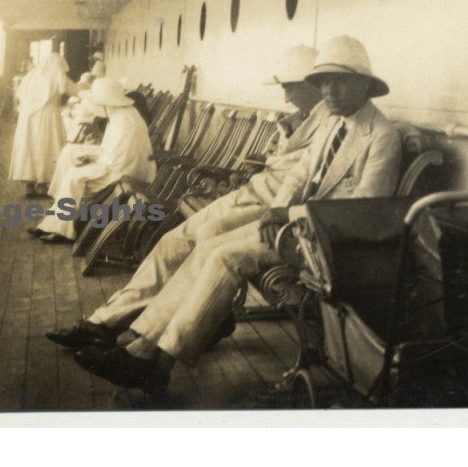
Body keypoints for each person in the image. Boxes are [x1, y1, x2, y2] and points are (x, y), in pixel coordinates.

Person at [72, 35, 402, 397]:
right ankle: (142, 348)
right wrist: (280, 208)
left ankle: (158, 363)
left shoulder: (381, 137)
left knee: (225, 257)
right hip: (294, 227)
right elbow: (298, 174)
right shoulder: (334, 124)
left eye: (339, 81)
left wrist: (290, 214)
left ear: (364, 84)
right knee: (206, 246)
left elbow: (365, 209)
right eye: (323, 81)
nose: (329, 91)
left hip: (329, 242)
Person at [45, 45, 326, 350]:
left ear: (311, 84)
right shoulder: (308, 118)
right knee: (171, 243)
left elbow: (301, 178)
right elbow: (286, 165)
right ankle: (105, 321)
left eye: (290, 88)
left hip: (267, 209)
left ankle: (126, 330)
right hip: (250, 193)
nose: (286, 98)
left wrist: (274, 172)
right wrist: (277, 145)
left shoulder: (328, 123)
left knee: (197, 247)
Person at [29, 78, 157, 243]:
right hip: (116, 160)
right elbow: (113, 150)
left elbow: (116, 160)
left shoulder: (125, 121)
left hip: (123, 171)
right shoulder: (120, 114)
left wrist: (91, 159)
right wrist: (92, 154)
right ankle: (58, 213)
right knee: (70, 151)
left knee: (73, 177)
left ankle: (61, 229)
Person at [9, 53, 79, 197]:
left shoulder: (32, 74)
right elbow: (73, 89)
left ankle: (29, 184)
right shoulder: (57, 73)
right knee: (45, 146)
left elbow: (19, 95)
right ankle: (42, 183)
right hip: (46, 114)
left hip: (27, 116)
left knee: (28, 146)